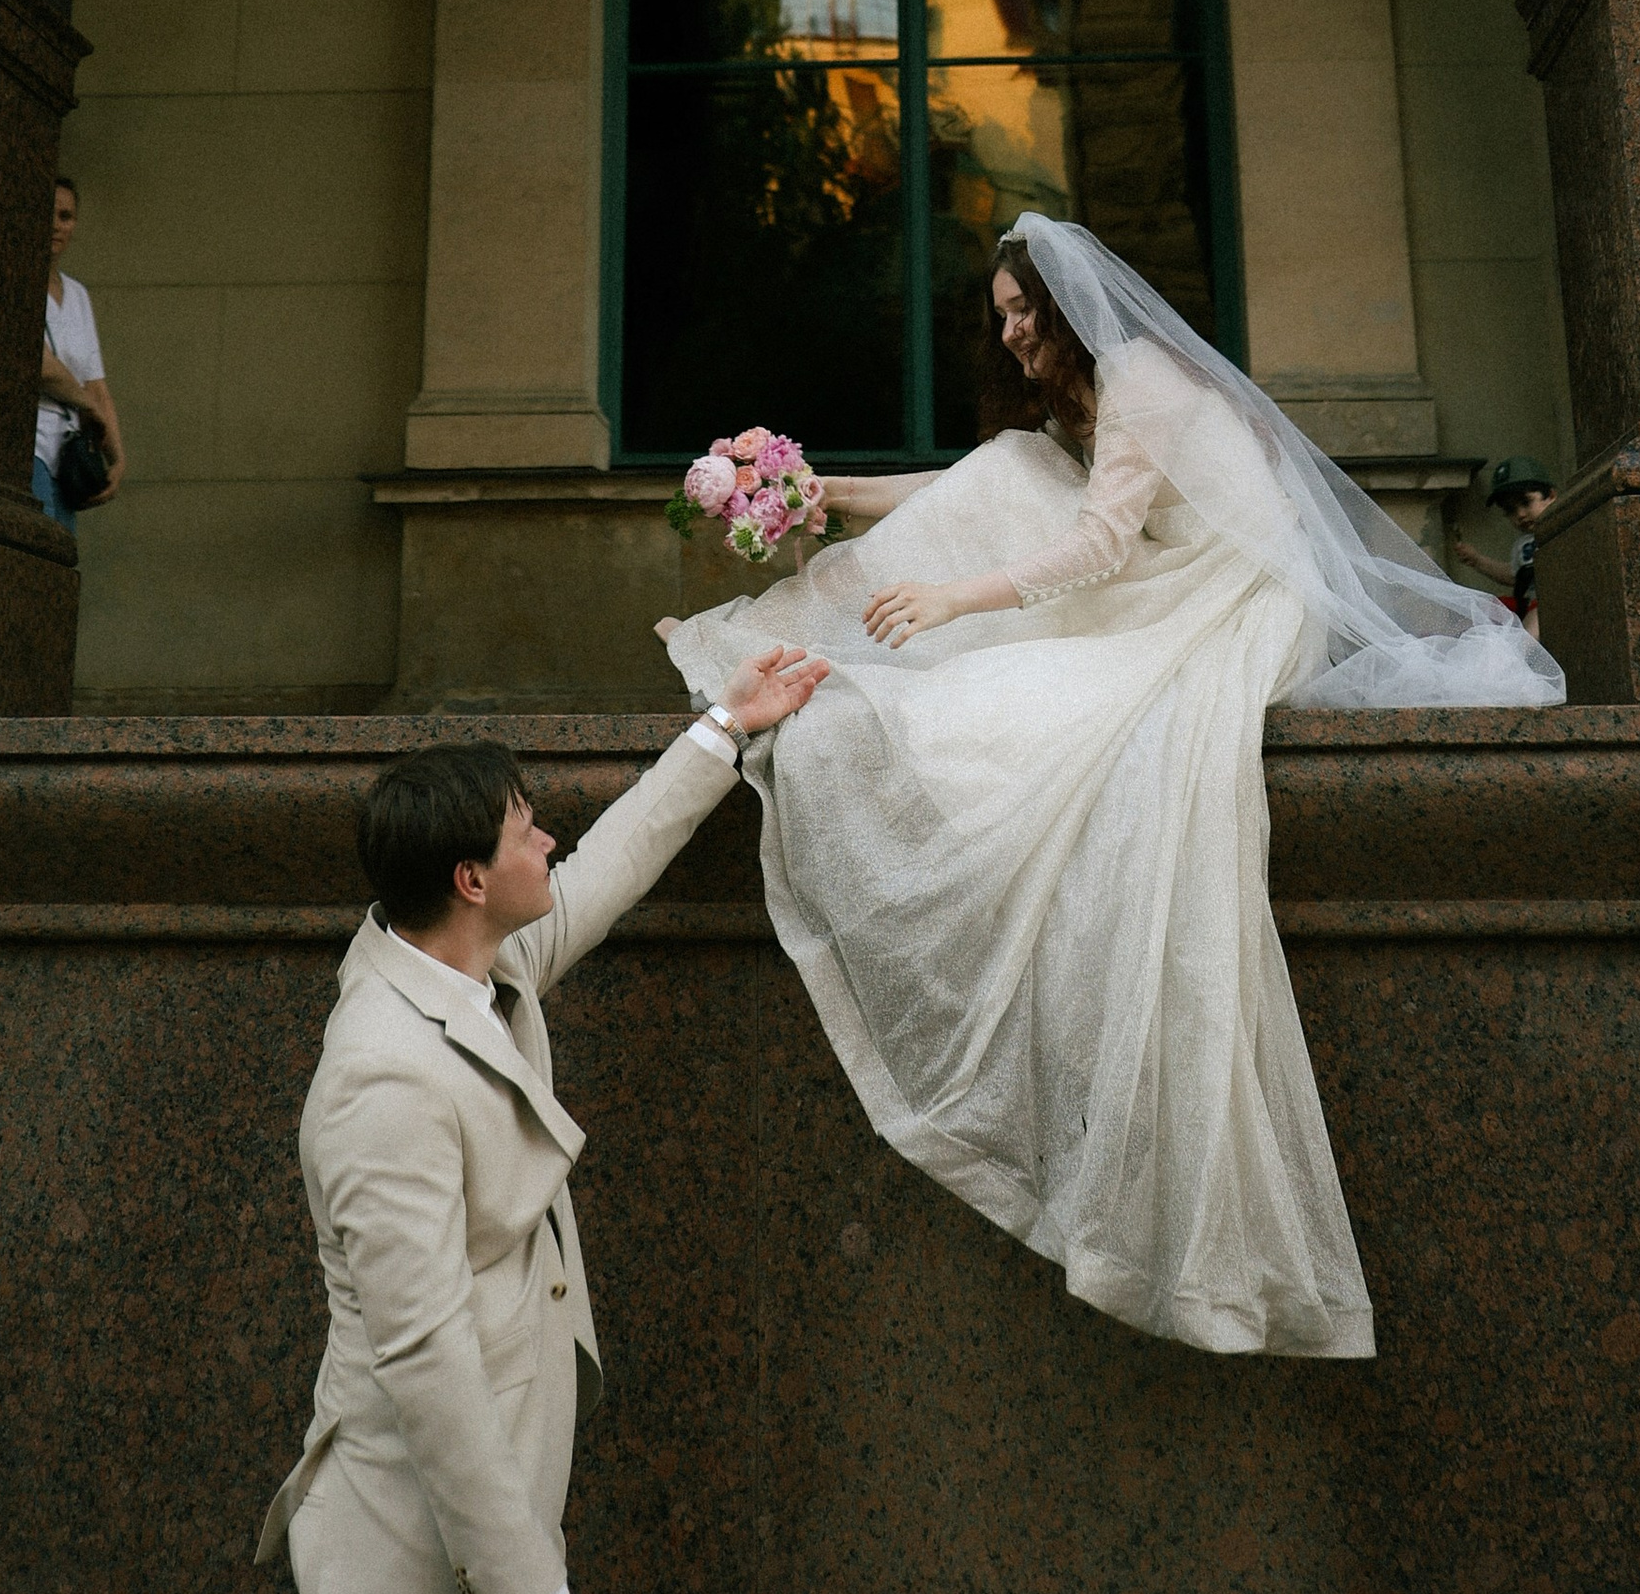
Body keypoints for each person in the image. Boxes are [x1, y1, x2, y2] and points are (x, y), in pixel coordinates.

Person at [662, 214, 1559, 1357]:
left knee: (1039, 702)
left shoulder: (1136, 376)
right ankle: (826, 640)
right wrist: (810, 486)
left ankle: (871, 656)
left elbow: (1098, 551)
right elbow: (971, 490)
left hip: (1224, 598)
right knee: (1005, 466)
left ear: (1071, 305)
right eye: (999, 318)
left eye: (1024, 309)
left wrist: (952, 602)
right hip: (1159, 570)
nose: (1014, 332)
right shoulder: (1085, 400)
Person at [258, 647, 830, 1594]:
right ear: (471, 879)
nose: (551, 840)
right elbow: (422, 1350)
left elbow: (609, 866)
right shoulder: (381, 1079)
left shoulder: (474, 957)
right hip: (410, 1573)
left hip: (466, 1549)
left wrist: (726, 728)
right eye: (529, 830)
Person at [35, 174, 124, 518]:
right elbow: (43, 368)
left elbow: (96, 385)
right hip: (32, 447)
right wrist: (87, 404)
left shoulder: (78, 295)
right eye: (48, 213)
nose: (56, 225)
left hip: (68, 455)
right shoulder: (14, 279)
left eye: (66, 217)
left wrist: (116, 459)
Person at [1462, 458, 1556, 634]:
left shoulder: (1561, 528)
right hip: (1525, 602)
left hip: (1551, 602)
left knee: (1532, 626)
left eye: (1526, 502)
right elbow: (1515, 576)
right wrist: (1477, 561)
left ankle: (1521, 656)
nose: (1520, 514)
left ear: (1550, 496)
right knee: (1476, 610)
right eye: (1510, 510)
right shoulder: (1522, 544)